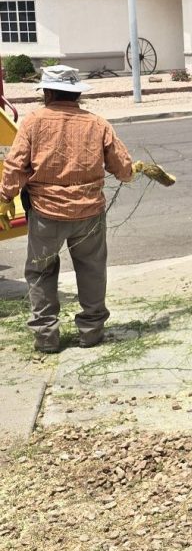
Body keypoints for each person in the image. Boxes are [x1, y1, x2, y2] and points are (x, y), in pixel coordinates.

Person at [0, 65, 141, 353]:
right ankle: (91, 332)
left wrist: (4, 198)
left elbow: (15, 167)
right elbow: (124, 169)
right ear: (77, 94)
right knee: (91, 271)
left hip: (45, 214)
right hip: (89, 213)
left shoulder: (33, 122)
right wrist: (131, 172)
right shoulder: (97, 124)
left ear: (47, 93)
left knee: (41, 273)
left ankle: (46, 337)